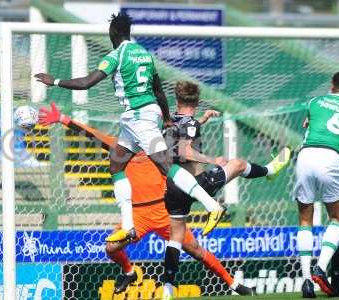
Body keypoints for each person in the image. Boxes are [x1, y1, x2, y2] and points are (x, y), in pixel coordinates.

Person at [34, 12, 224, 243]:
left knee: (166, 167)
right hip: (141, 117)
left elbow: (86, 83)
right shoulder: (144, 54)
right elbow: (158, 90)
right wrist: (165, 117)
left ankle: (212, 206)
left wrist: (54, 81)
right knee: (116, 165)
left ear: (113, 33)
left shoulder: (116, 55)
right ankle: (128, 226)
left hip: (140, 118)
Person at [38, 102, 255, 297]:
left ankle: (234, 285)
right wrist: (63, 119)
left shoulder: (159, 147)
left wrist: (202, 121)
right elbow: (91, 133)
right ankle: (129, 272)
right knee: (111, 248)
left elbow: (185, 133)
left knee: (196, 250)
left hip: (163, 213)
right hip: (137, 216)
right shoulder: (120, 147)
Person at [161, 81, 291, 300]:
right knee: (238, 164)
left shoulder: (169, 120)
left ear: (176, 100)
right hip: (195, 184)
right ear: (198, 101)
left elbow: (177, 139)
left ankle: (167, 293)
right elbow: (185, 151)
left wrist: (201, 120)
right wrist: (213, 159)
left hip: (172, 187)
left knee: (175, 237)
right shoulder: (190, 122)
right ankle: (269, 171)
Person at [294, 71, 339, 298]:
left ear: (332, 84)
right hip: (331, 158)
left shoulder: (314, 102)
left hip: (305, 156)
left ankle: (306, 283)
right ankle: (321, 268)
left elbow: (309, 123)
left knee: (305, 218)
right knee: (338, 217)